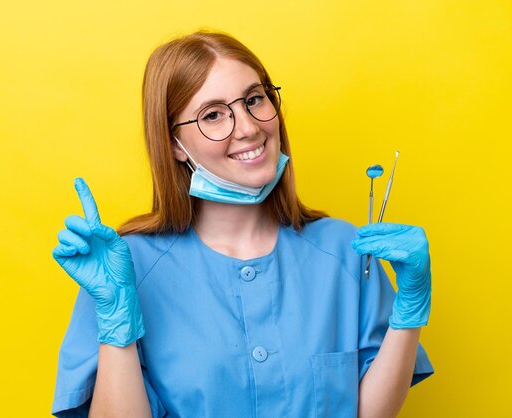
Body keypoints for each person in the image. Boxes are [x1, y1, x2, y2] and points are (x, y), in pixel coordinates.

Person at [51, 31, 434, 418]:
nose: (249, 127)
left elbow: (369, 413)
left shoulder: (346, 251)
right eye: (213, 115)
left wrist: (409, 313)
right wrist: (117, 324)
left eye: (254, 100)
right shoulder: (122, 269)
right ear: (174, 144)